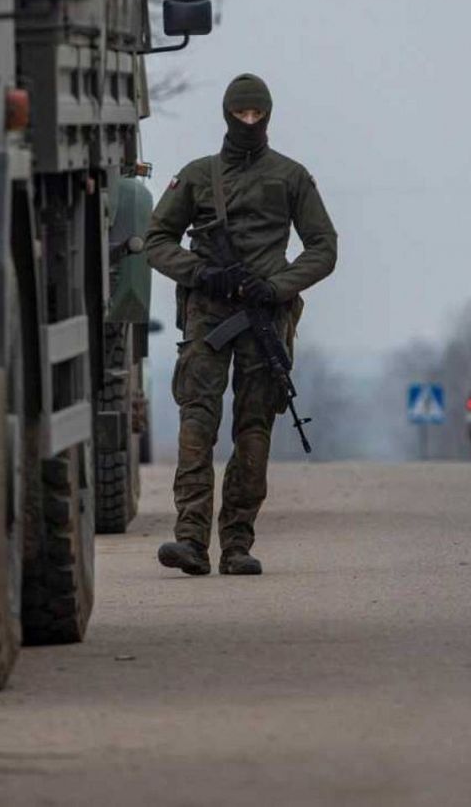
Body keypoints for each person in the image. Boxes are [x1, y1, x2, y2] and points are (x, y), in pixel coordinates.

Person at [144, 73, 338, 576]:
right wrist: (201, 273)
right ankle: (189, 537)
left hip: (264, 318)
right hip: (209, 314)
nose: (248, 122)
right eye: (241, 114)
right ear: (227, 115)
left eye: (256, 115)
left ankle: (236, 544)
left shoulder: (290, 177)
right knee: (197, 421)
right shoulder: (197, 175)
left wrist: (277, 286)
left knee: (254, 428)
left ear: (268, 116)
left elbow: (324, 247)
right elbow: (157, 239)